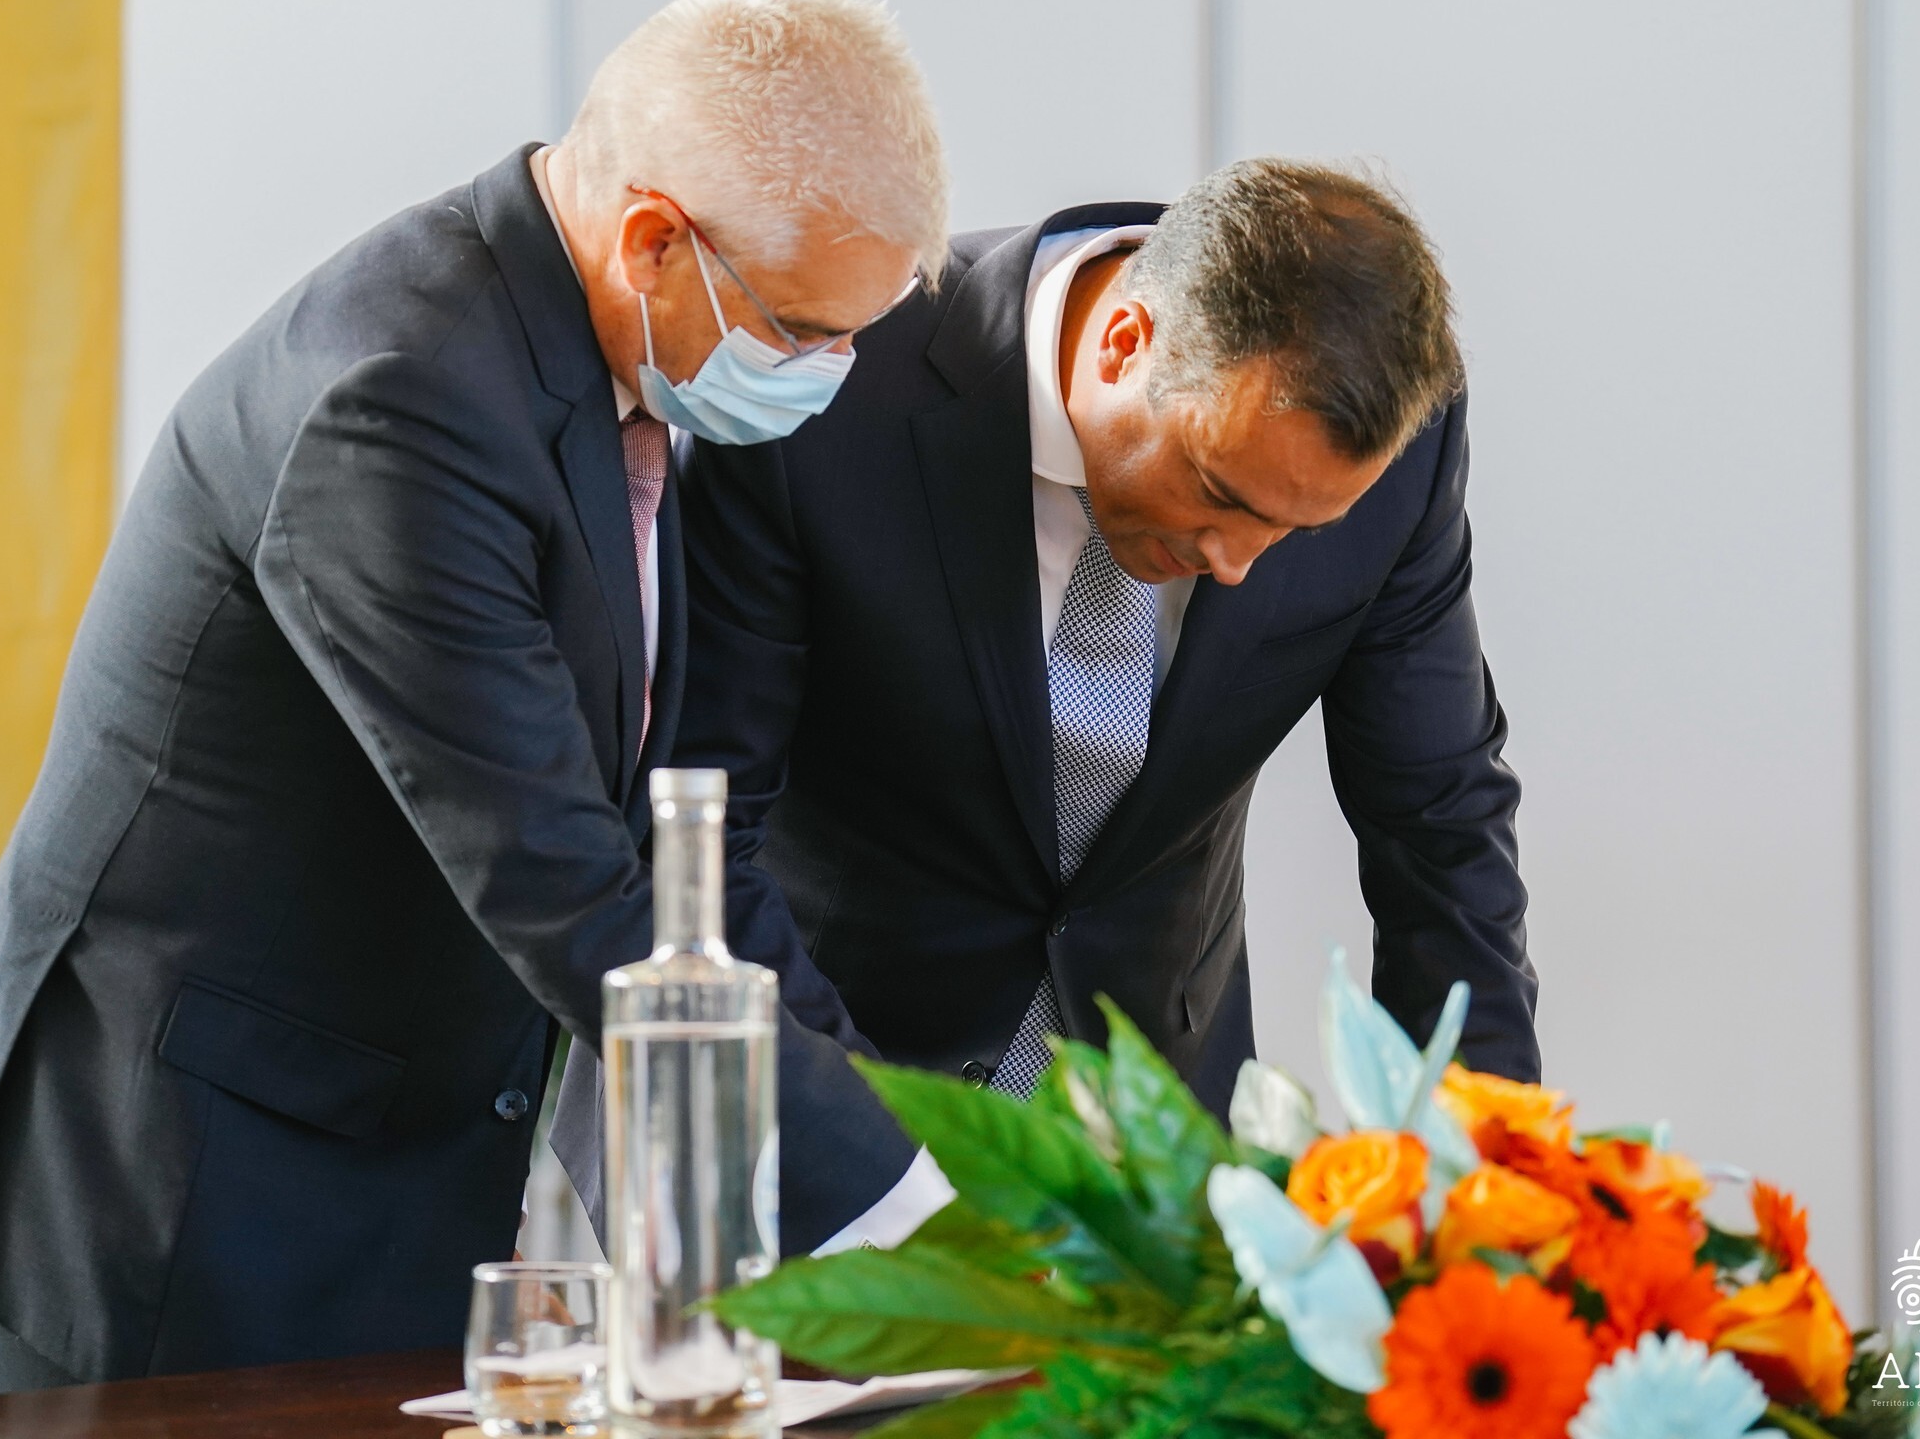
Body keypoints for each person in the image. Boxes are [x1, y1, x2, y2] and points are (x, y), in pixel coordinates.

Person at [0, 0, 948, 1390]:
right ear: (653, 241)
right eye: (806, 332)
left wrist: (914, 1152)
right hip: (185, 1181)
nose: (834, 372)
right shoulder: (400, 402)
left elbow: (655, 837)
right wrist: (911, 1228)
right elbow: (565, 879)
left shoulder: (592, 358)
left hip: (370, 1149)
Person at [626, 160, 1539, 1244]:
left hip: (1161, 1163)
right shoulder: (835, 380)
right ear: (1123, 343)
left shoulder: (1399, 453)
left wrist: (1485, 1195)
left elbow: (1439, 826)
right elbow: (699, 838)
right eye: (1219, 494)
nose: (1239, 563)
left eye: (1294, 530)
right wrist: (886, 1184)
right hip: (824, 1130)